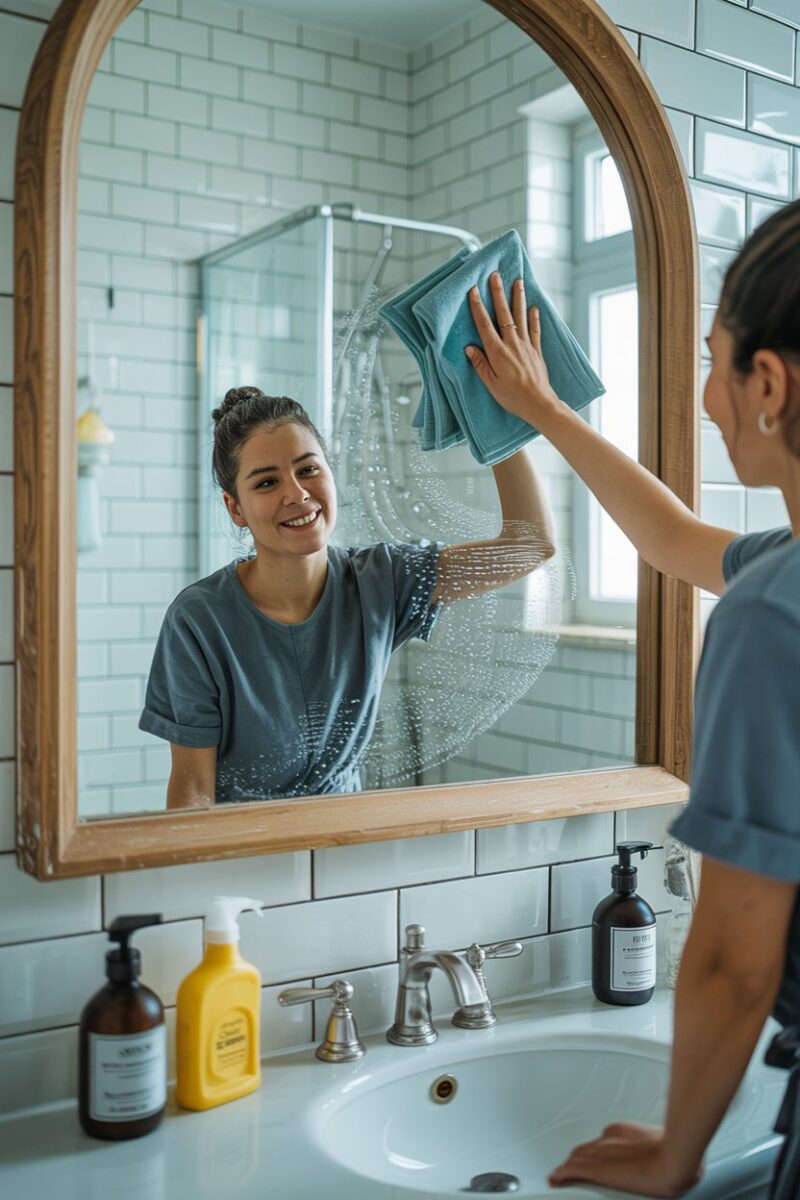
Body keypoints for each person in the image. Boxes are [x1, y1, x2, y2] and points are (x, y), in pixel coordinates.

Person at [464, 203, 800, 1197]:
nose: (706, 397)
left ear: (769, 383)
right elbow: (671, 540)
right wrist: (544, 412)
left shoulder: (771, 614)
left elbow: (733, 962)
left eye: (715, 361)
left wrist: (672, 1154)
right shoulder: (773, 572)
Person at [139, 387, 555, 807]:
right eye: (267, 482)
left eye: (308, 470)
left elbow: (530, 547)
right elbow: (193, 790)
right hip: (243, 858)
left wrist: (496, 412)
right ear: (236, 509)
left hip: (344, 849)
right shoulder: (199, 620)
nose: (297, 494)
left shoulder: (383, 581)